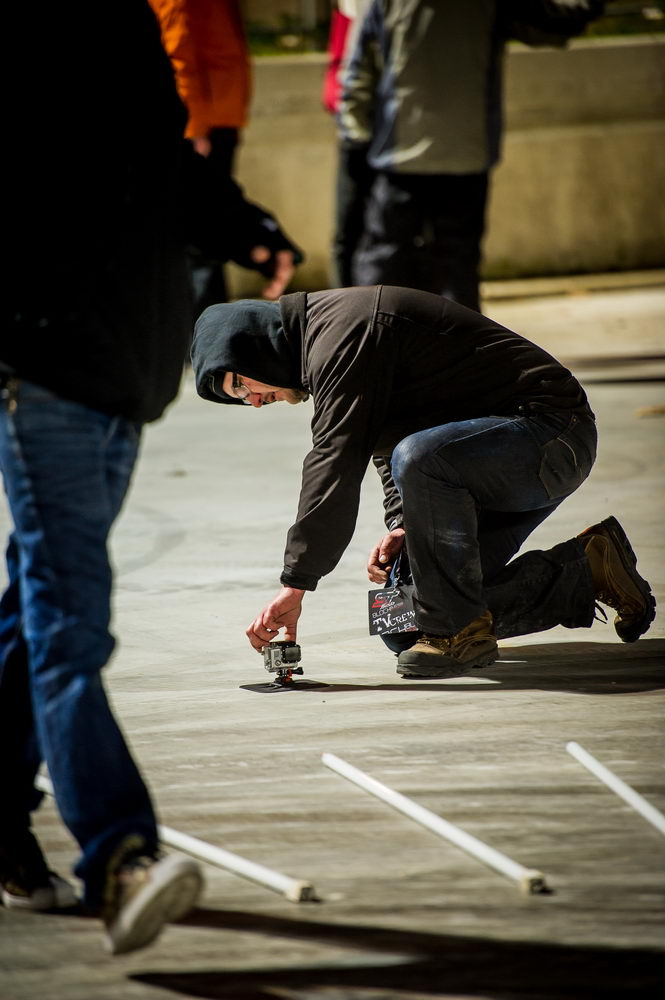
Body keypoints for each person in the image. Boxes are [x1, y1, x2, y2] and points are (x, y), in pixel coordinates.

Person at [1, 0, 301, 955]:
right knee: (69, 618)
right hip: (42, 370)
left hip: (127, 374)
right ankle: (121, 855)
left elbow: (161, 158)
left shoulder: (123, 18)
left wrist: (245, 224)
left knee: (33, 609)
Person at [191, 285, 655, 675]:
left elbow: (336, 456)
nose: (251, 401)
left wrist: (296, 583)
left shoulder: (345, 330)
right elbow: (382, 444)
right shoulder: (322, 347)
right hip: (477, 466)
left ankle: (458, 631)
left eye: (239, 385)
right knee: (403, 621)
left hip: (551, 437)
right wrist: (404, 524)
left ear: (253, 346)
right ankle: (587, 567)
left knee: (421, 460)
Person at [334, 0, 604, 308]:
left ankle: (375, 344)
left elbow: (357, 76)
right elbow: (554, 25)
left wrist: (357, 141)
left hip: (400, 157)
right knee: (457, 266)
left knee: (386, 263)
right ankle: (461, 347)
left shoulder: (385, 4)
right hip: (466, 154)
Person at [148, 0, 300, 314]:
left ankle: (210, 327)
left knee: (211, 227)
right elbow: (177, 48)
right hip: (204, 122)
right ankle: (203, 332)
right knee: (201, 231)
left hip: (219, 113)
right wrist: (194, 126)